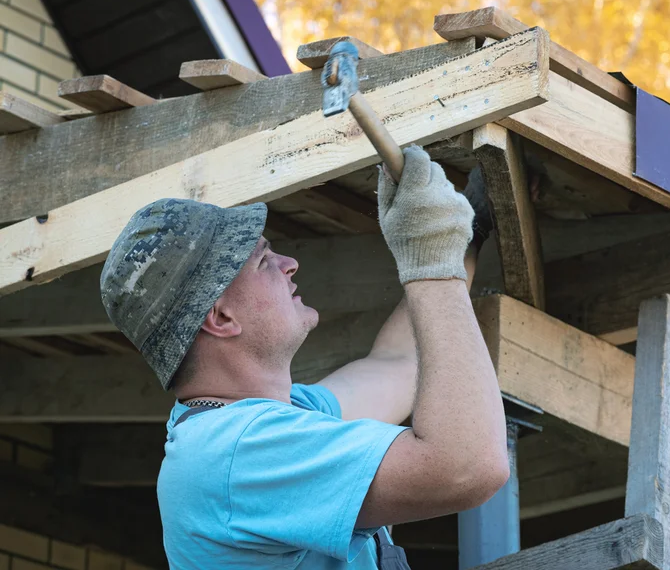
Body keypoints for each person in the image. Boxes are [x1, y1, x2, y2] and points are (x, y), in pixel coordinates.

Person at [99, 145, 509, 569]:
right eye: (263, 261)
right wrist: (433, 262)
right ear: (220, 317)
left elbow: (400, 365)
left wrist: (464, 231)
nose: (290, 263)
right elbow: (467, 467)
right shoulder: (237, 455)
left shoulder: (268, 423)